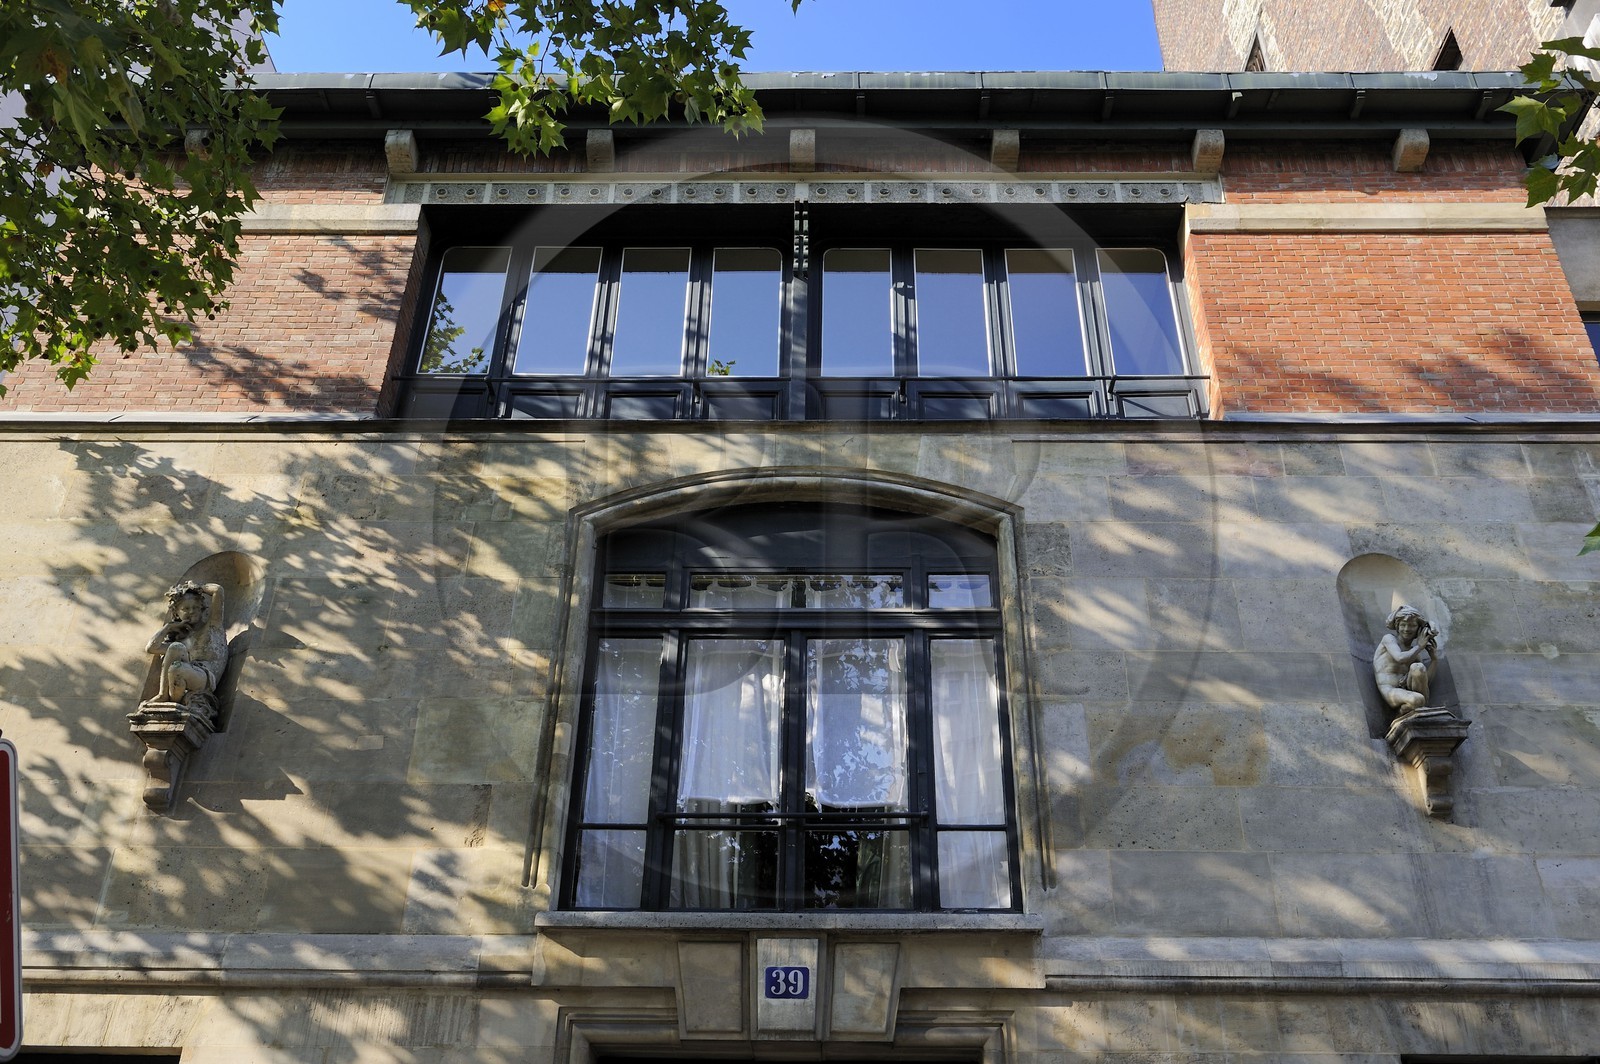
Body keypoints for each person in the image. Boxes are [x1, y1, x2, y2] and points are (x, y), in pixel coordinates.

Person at [145, 581, 228, 713]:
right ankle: (163, 695)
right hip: (181, 676)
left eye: (195, 608)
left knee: (176, 668)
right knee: (175, 649)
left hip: (205, 678)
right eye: (186, 609)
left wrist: (197, 589)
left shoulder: (213, 626)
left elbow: (218, 590)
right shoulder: (183, 642)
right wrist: (169, 627)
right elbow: (152, 648)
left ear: (202, 609)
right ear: (177, 613)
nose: (191, 612)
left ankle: (173, 698)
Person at [1373, 604, 1438, 715]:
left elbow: (1425, 682)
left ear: (1418, 629)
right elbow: (1399, 658)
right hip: (1390, 691)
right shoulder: (1389, 639)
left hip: (1409, 693)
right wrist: (1420, 647)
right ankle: (1413, 707)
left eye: (1412, 625)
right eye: (1403, 625)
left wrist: (1434, 660)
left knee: (1418, 667)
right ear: (1397, 626)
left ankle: (1408, 709)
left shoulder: (1414, 653)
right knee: (1417, 699)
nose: (1407, 629)